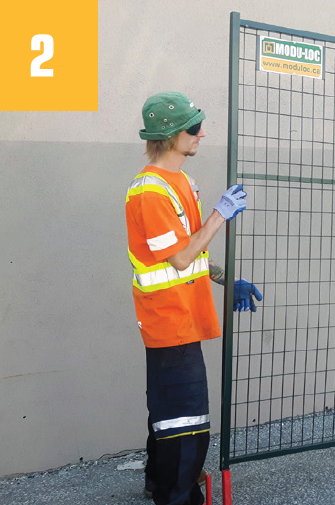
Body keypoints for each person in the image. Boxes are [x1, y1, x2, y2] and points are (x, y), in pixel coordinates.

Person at [126, 91, 263, 505]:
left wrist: (227, 278)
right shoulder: (150, 192)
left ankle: (158, 482)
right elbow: (181, 258)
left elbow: (193, 253)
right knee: (186, 424)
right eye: (193, 127)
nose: (202, 133)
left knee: (169, 416)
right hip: (169, 325)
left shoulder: (181, 182)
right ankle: (175, 497)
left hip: (184, 319)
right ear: (169, 136)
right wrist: (220, 214)